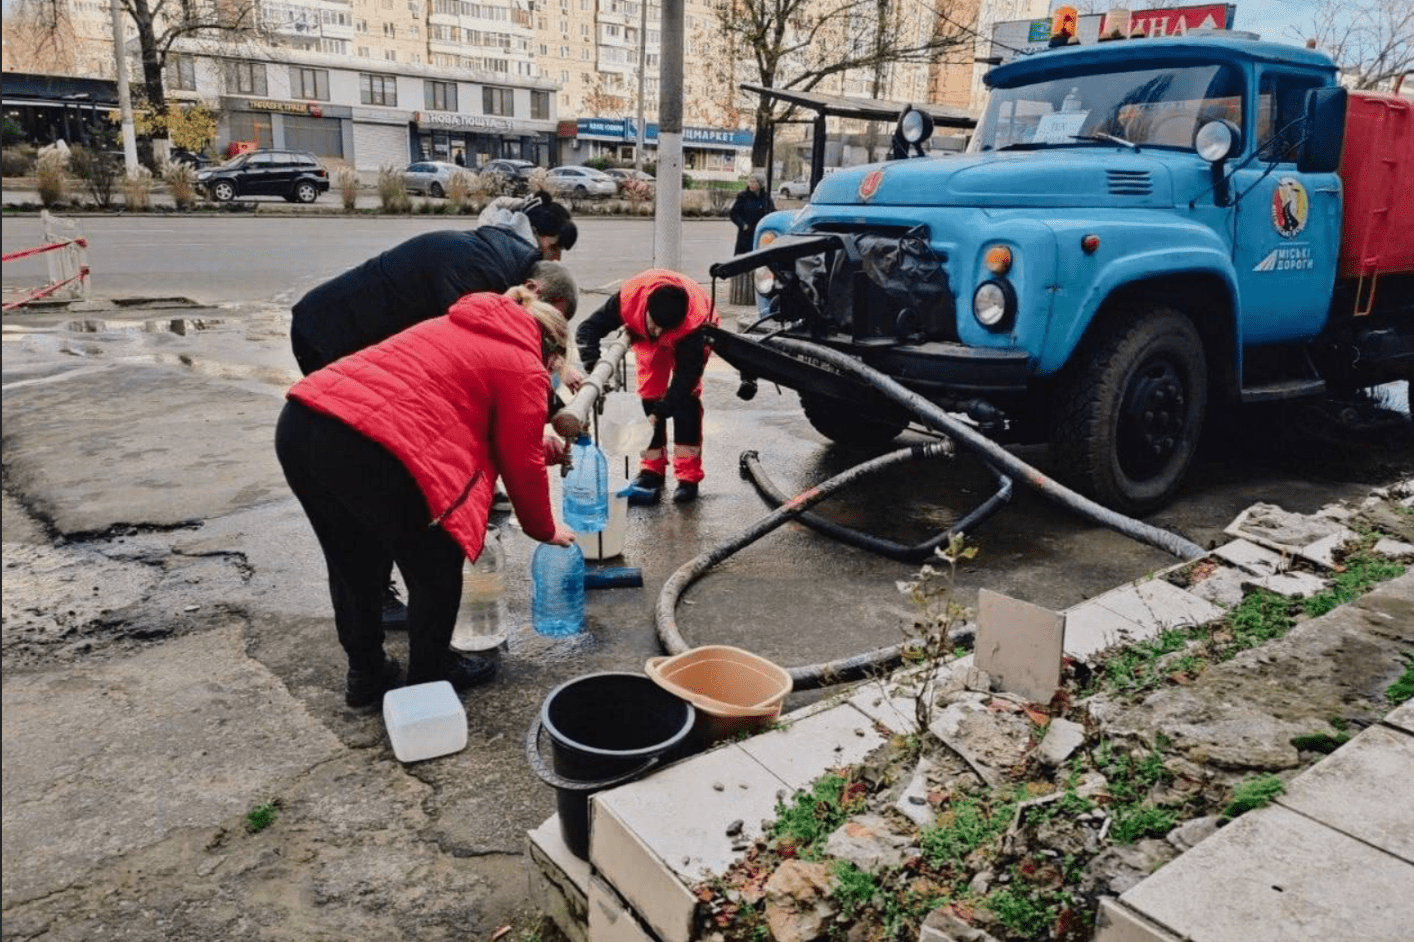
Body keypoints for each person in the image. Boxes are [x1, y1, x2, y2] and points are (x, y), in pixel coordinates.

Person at [276, 287, 577, 707]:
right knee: (436, 565)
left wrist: (540, 447)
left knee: (352, 559)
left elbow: (467, 419)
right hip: (369, 443)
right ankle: (428, 684)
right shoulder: (524, 364)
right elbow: (519, 461)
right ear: (552, 350)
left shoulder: (454, 324)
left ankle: (366, 674)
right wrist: (543, 529)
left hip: (305, 421)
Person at [289, 206, 578, 628]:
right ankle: (380, 599)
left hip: (344, 357)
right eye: (552, 323)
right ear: (535, 291)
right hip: (333, 340)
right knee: (373, 488)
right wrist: (549, 415)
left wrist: (543, 422)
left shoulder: (495, 269)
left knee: (380, 487)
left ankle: (372, 624)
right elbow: (493, 392)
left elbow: (483, 397)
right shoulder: (480, 279)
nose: (547, 338)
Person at [575, 269, 719, 505]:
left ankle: (688, 476)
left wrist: (661, 412)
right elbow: (587, 330)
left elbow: (685, 379)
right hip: (645, 336)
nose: (659, 332)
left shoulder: (694, 322)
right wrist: (596, 370)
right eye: (656, 325)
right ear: (647, 310)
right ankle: (652, 469)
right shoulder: (628, 300)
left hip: (689, 336)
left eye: (664, 329)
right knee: (649, 395)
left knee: (686, 403)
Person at [729, 172, 775, 255]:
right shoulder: (743, 197)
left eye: (754, 182)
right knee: (744, 259)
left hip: (761, 235)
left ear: (761, 184)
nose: (751, 184)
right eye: (750, 181)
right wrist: (743, 225)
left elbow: (772, 214)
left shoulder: (766, 198)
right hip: (746, 235)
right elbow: (733, 213)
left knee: (759, 258)